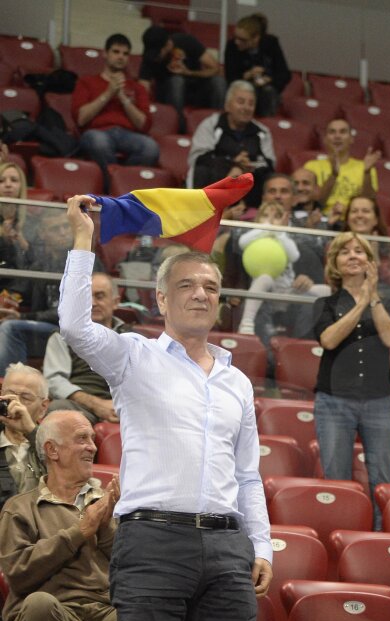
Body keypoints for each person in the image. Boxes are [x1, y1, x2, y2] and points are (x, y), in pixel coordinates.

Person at [60, 194, 272, 621]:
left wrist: (261, 545)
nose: (201, 293)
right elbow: (75, 324)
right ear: (160, 298)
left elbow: (249, 472)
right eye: (186, 285)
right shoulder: (133, 358)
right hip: (153, 543)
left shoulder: (236, 381)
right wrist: (84, 242)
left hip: (228, 548)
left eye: (210, 286)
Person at [0, 410, 120, 621]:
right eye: (81, 439)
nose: (92, 447)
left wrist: (106, 526)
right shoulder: (21, 508)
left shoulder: (109, 503)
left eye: (93, 439)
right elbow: (19, 575)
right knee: (39, 605)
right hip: (53, 610)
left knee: (158, 616)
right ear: (52, 450)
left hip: (105, 609)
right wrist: (79, 532)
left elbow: (131, 569)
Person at [312, 232, 390, 528]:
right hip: (334, 401)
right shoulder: (325, 303)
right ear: (335, 263)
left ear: (370, 262)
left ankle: (377, 539)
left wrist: (372, 297)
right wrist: (360, 304)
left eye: (359, 251)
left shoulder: (387, 301)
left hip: (380, 401)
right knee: (336, 478)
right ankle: (340, 534)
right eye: (345, 252)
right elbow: (328, 340)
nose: (352, 256)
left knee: (383, 478)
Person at [0, 209, 102, 372]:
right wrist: (8, 300)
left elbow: (72, 311)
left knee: (11, 328)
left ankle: (8, 385)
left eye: (65, 227)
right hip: (46, 330)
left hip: (75, 332)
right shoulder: (41, 263)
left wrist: (25, 316)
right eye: (55, 229)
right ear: (42, 233)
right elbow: (20, 288)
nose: (62, 233)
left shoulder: (85, 261)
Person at [72, 33, 158, 189]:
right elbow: (80, 119)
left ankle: (122, 186)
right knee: (98, 141)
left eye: (125, 54)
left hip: (129, 135)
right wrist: (108, 93)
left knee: (150, 147)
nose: (121, 57)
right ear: (105, 53)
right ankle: (114, 188)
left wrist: (123, 98)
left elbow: (144, 125)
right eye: (116, 52)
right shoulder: (87, 82)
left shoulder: (137, 87)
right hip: (98, 132)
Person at [236, 200, 331, 336]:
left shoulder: (283, 238)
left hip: (288, 292)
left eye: (276, 217)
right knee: (265, 278)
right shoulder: (254, 236)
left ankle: (329, 326)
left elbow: (294, 255)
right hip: (265, 292)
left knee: (326, 290)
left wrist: (280, 232)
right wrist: (267, 228)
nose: (270, 220)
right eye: (265, 216)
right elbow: (242, 242)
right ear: (258, 219)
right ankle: (246, 322)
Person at [44, 273, 130, 423]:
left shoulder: (131, 338)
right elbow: (54, 381)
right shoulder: (63, 336)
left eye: (99, 296)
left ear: (115, 302)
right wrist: (96, 405)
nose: (92, 302)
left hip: (126, 406)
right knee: (59, 410)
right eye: (86, 297)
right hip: (81, 406)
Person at [187, 81, 275, 207]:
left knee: (273, 179)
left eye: (251, 103)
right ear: (227, 105)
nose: (246, 107)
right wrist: (232, 163)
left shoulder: (262, 132)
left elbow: (269, 164)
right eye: (241, 102)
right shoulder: (211, 125)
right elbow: (198, 158)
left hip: (250, 184)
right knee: (201, 170)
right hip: (216, 180)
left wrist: (248, 166)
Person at [138, 25, 224, 133]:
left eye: (160, 52)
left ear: (168, 44)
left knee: (218, 81)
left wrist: (188, 72)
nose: (157, 56)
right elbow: (143, 87)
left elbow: (215, 68)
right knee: (177, 81)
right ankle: (178, 127)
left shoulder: (185, 41)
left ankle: (222, 124)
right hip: (169, 96)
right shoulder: (150, 57)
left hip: (196, 90)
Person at [304, 118, 380, 217]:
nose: (337, 136)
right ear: (325, 139)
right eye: (332, 132)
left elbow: (369, 202)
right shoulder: (311, 166)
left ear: (351, 139)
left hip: (352, 222)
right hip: (319, 220)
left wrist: (366, 172)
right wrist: (333, 175)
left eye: (343, 132)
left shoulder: (365, 167)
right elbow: (312, 204)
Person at [0, 363, 49, 509]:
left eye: (26, 398)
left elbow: (69, 473)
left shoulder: (55, 443)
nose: (16, 404)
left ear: (43, 407)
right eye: (9, 395)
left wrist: (31, 431)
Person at [223, 13, 290, 117]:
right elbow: (230, 78)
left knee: (268, 92)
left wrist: (269, 79)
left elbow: (284, 74)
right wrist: (247, 75)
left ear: (256, 38)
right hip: (242, 87)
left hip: (266, 90)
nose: (237, 42)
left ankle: (268, 123)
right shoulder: (232, 47)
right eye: (236, 37)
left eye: (243, 40)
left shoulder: (271, 43)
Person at [0, 159, 29, 273]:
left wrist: (22, 243)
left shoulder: (33, 220)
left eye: (14, 180)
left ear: (21, 185)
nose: (8, 184)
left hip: (22, 283)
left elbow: (35, 261)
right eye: (1, 181)